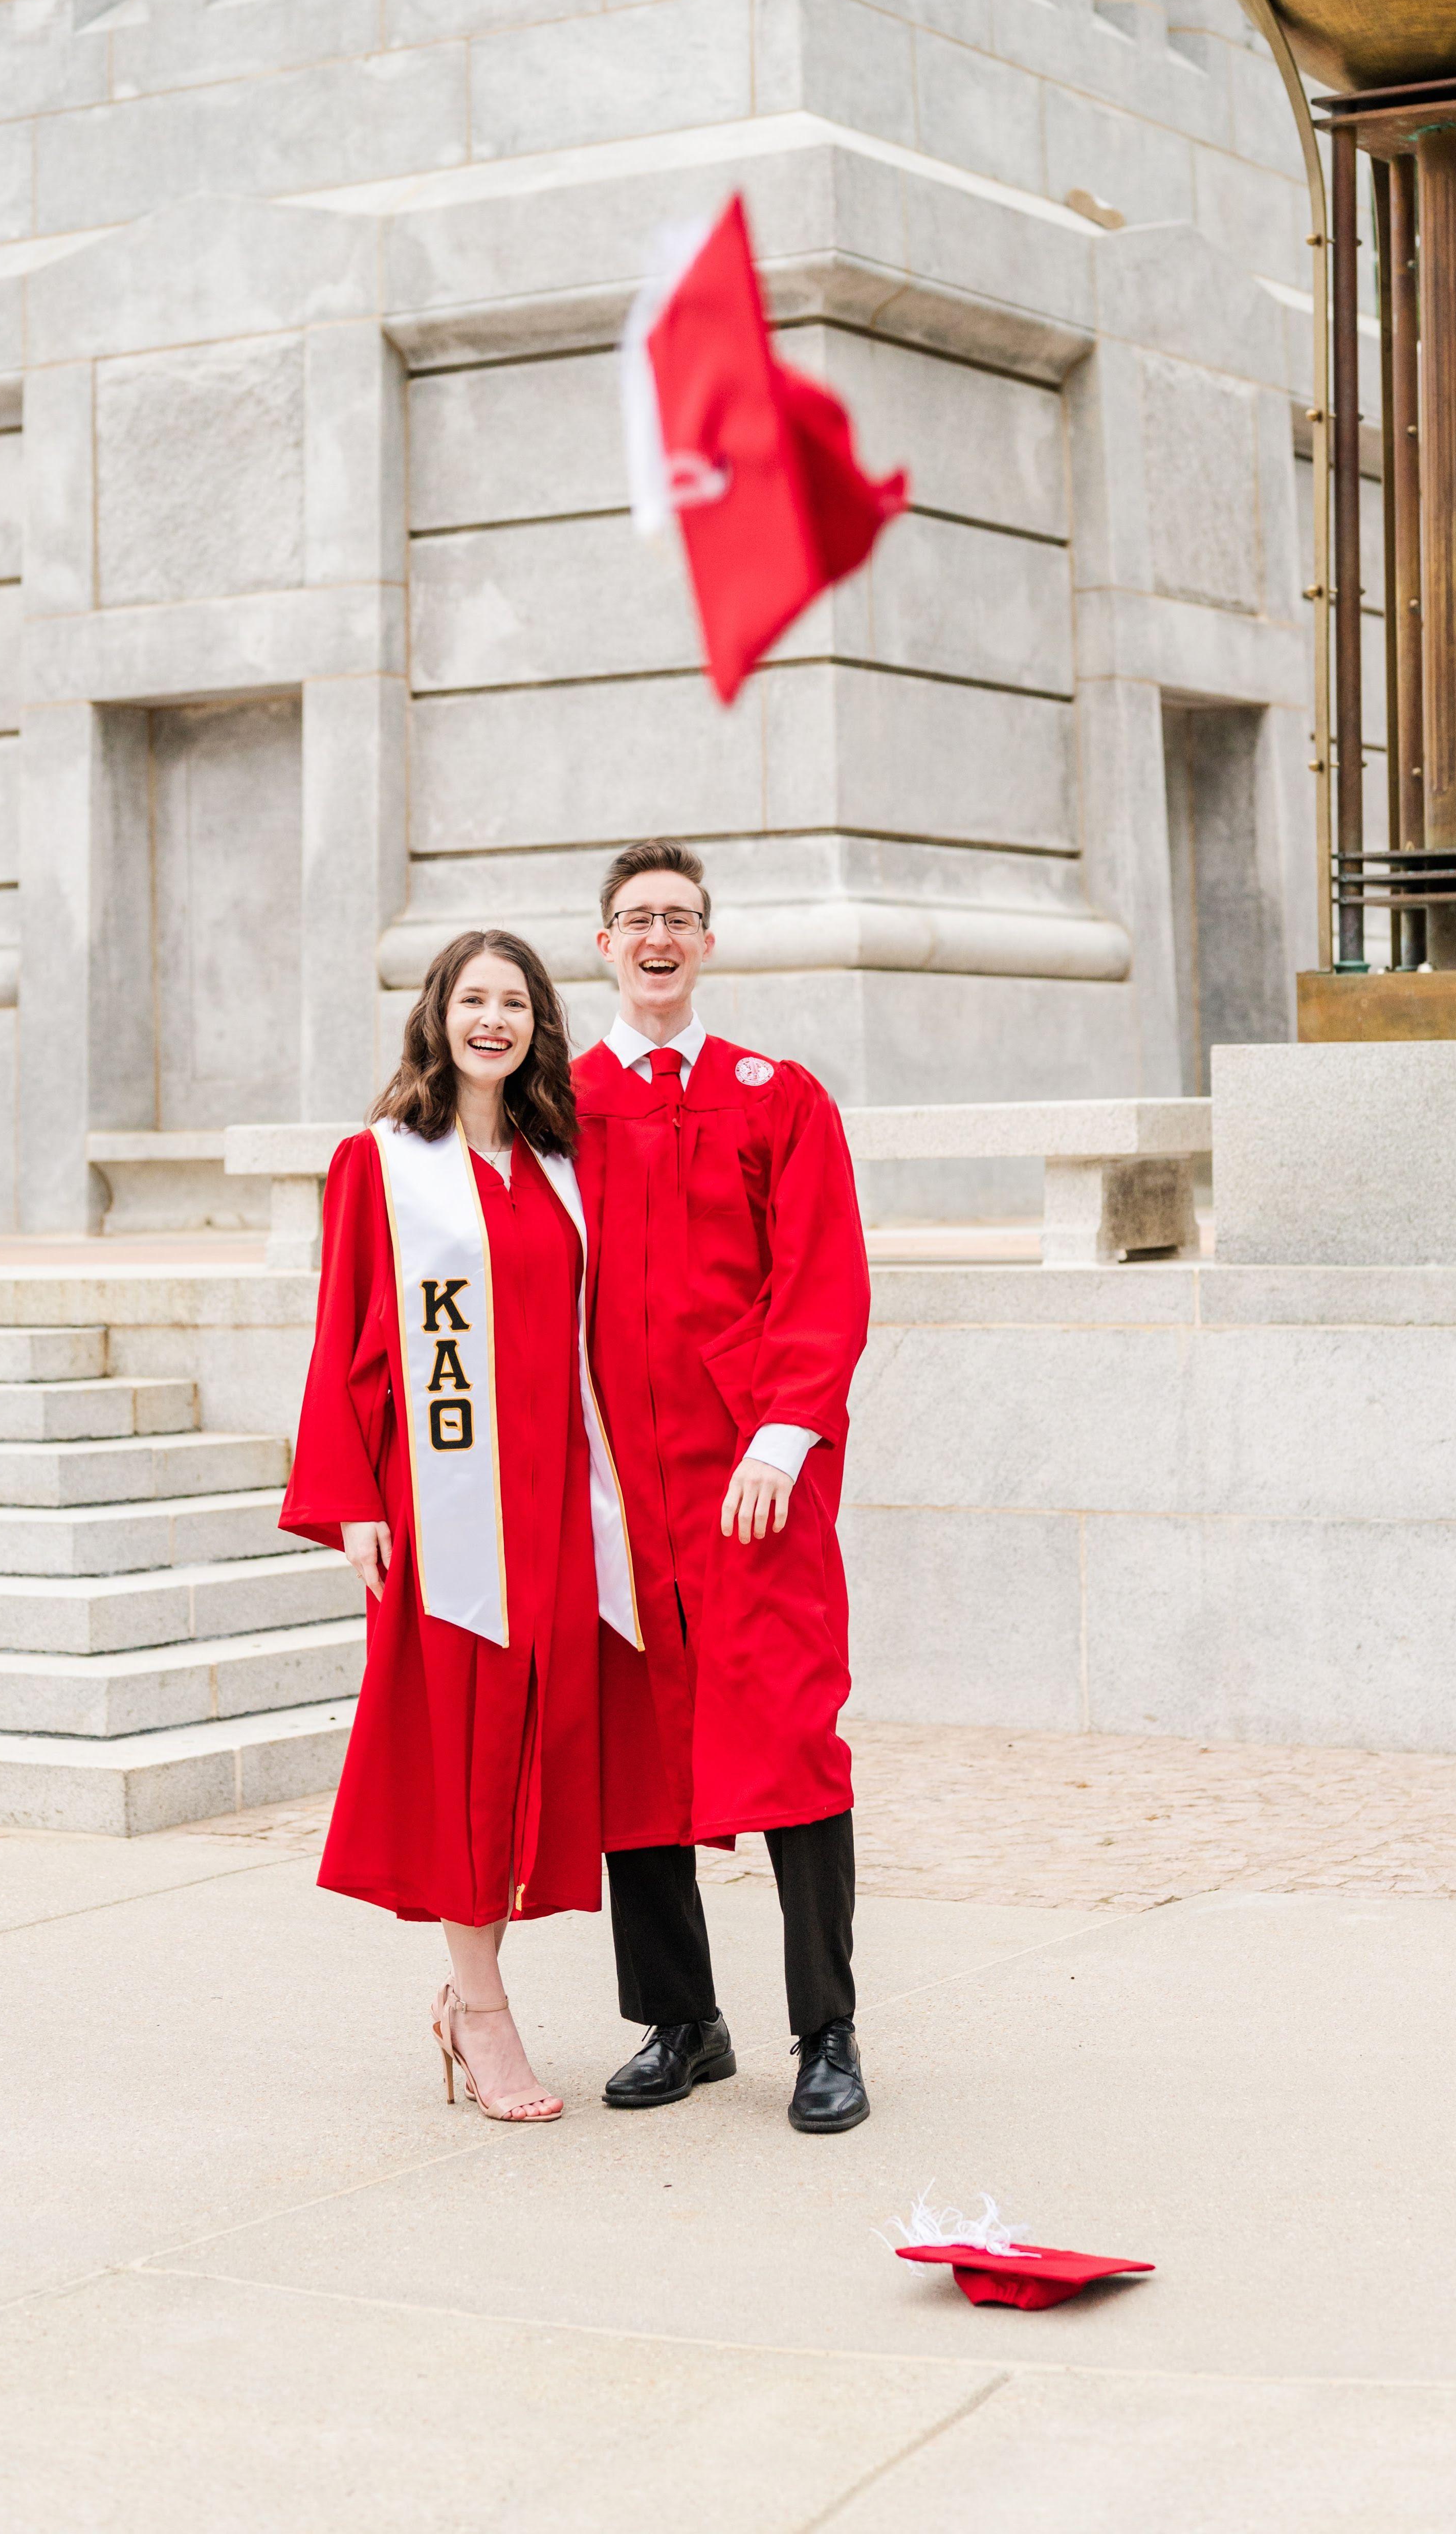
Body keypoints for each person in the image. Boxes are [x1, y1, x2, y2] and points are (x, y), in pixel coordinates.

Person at [281, 931, 643, 2124]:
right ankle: (482, 2013)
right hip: (447, 1521)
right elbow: (341, 1338)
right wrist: (352, 1503)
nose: (493, 1020)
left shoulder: (558, 1166)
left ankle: (468, 1996)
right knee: (462, 1755)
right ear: (437, 1016)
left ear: (539, 1023)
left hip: (555, 1514)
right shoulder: (380, 1165)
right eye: (472, 999)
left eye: (514, 1002)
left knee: (532, 1751)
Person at [574, 839, 876, 2133]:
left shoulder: (777, 1096)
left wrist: (785, 1432)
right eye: (636, 919)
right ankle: (682, 2022)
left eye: (680, 919)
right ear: (603, 944)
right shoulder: (555, 1100)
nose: (658, 938)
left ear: (708, 943)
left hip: (751, 1484)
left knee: (793, 1740)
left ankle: (827, 2031)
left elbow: (826, 1277)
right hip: (610, 1492)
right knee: (632, 1752)